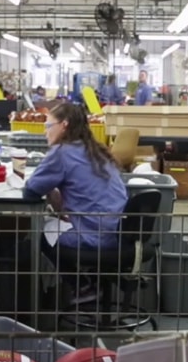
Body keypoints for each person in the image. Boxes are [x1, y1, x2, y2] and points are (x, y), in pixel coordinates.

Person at [23, 103, 128, 300]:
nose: (45, 132)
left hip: (94, 236)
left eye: (48, 126)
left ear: (64, 125)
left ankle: (82, 285)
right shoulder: (96, 150)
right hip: (122, 233)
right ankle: (91, 282)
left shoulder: (61, 152)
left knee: (41, 232)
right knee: (58, 224)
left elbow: (30, 192)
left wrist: (50, 192)